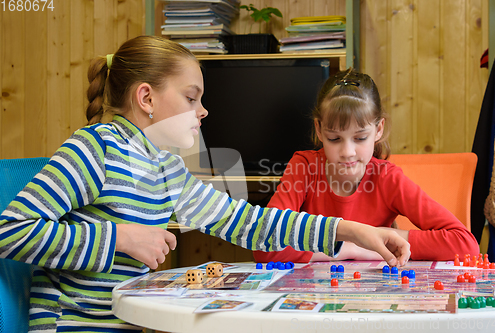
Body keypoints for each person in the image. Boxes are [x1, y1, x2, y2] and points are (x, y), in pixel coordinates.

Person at [0, 36, 409, 332]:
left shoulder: (166, 169)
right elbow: (10, 232)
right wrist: (120, 238)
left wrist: (345, 230)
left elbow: (250, 224)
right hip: (72, 326)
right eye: (191, 97)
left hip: (124, 323)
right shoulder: (95, 150)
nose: (203, 110)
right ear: (147, 98)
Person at [254, 69, 480, 264]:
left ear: (379, 129)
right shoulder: (304, 167)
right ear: (319, 129)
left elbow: (465, 243)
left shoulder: (386, 177)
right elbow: (264, 243)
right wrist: (351, 248)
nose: (348, 152)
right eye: (334, 139)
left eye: (360, 138)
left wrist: (384, 236)